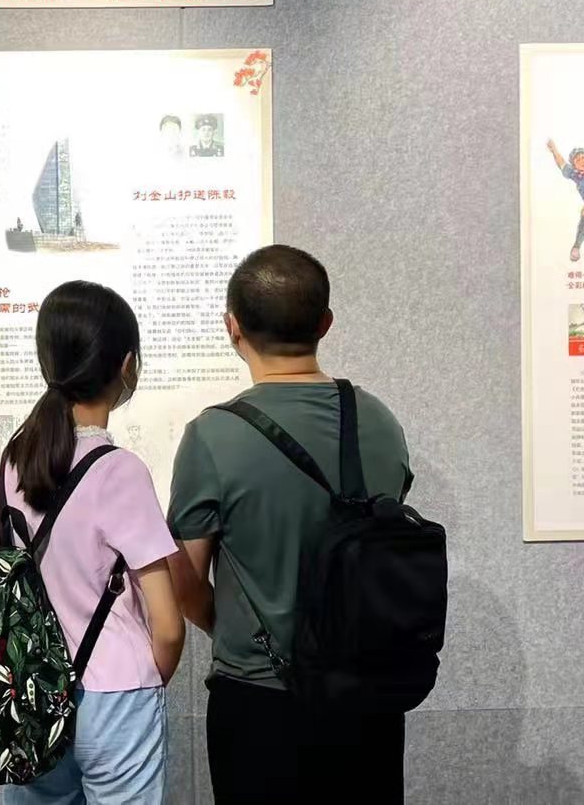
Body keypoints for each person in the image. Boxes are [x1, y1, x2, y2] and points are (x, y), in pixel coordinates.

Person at [167, 245, 413, 804]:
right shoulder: (380, 420)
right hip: (367, 697)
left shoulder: (212, 436)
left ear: (232, 327)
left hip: (259, 700)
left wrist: (228, 625)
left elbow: (186, 581)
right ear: (325, 323)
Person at [1, 281, 184, 805]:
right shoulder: (119, 470)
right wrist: (146, 679)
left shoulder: (14, 460)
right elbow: (168, 624)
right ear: (127, 366)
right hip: (116, 693)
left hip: (33, 692)